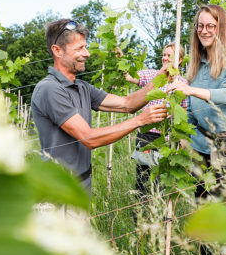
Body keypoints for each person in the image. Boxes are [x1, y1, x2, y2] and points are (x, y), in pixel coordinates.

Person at [31, 19, 168, 194]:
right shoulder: (49, 89)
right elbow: (88, 138)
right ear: (57, 51)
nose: (87, 53)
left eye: (85, 47)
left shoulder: (82, 87)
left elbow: (127, 104)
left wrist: (159, 79)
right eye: (79, 48)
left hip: (81, 186)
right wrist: (140, 120)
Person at [166, 5, 226, 196]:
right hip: (200, 145)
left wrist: (191, 90)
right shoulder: (197, 63)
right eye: (200, 25)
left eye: (210, 26)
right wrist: (183, 138)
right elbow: (189, 107)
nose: (203, 31)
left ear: (221, 28)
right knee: (203, 205)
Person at [125, 43, 188, 198]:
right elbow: (130, 77)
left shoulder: (183, 84)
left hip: (167, 139)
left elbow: (184, 114)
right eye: (164, 55)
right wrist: (121, 59)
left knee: (161, 183)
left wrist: (182, 141)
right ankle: (140, 217)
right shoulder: (152, 76)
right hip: (147, 136)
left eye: (169, 56)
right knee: (143, 181)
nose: (165, 58)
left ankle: (159, 216)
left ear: (179, 60)